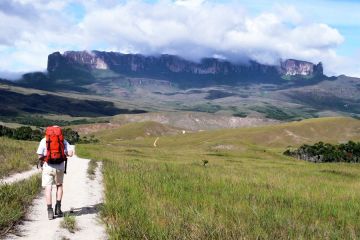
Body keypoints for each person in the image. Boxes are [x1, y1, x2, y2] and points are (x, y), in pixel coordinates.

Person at [36, 126, 73, 220]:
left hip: (48, 166)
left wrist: (43, 161)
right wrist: (64, 154)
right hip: (60, 166)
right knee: (59, 186)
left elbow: (39, 155)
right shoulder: (63, 140)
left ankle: (50, 211)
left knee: (48, 188)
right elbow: (71, 153)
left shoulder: (44, 140)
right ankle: (58, 209)